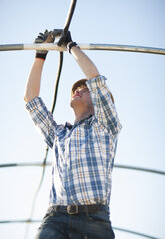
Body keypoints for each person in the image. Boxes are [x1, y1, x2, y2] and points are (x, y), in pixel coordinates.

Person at [24, 29, 122, 239]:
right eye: (76, 89)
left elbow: (95, 79)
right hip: (55, 219)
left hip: (94, 220)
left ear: (98, 103)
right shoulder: (59, 134)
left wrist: (71, 46)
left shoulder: (104, 125)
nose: (78, 89)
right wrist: (40, 55)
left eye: (84, 89)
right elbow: (31, 99)